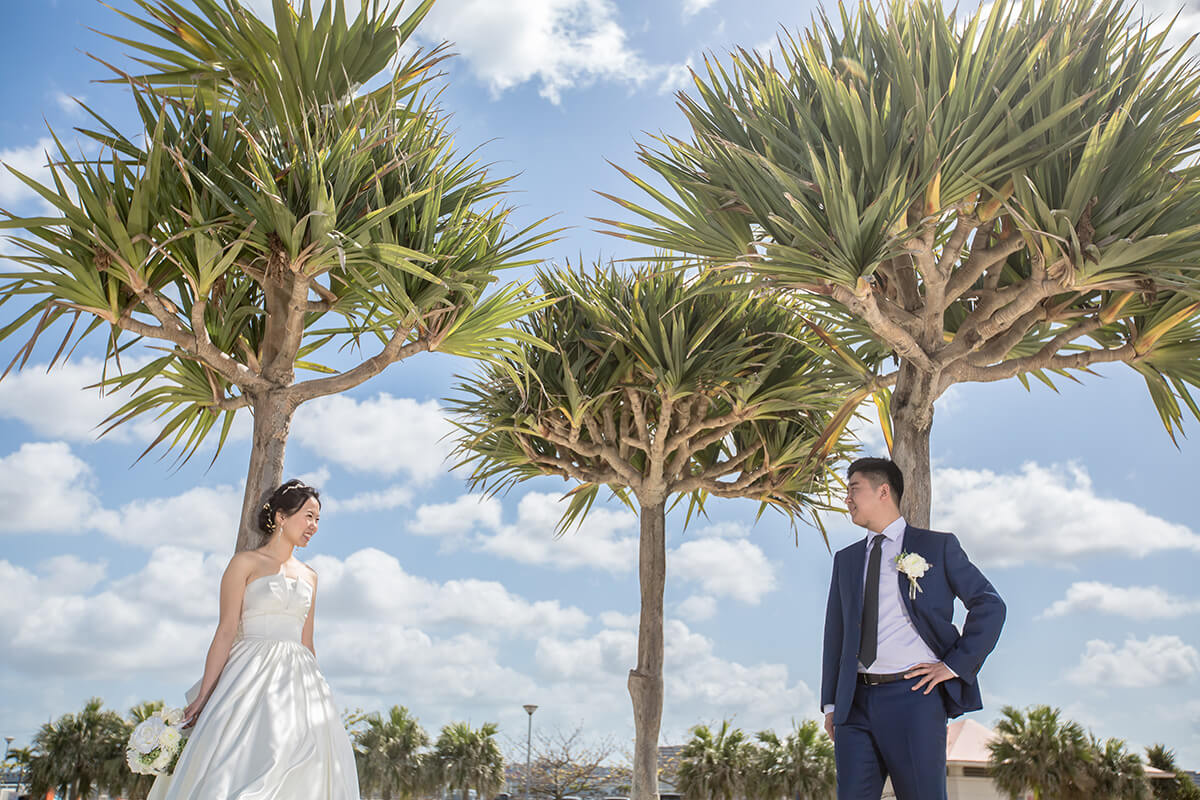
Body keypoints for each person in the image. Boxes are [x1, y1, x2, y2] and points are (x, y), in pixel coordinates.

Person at [149, 479, 359, 800]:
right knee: (240, 761)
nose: (314, 526)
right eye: (308, 516)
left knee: (306, 761)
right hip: (249, 672)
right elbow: (226, 630)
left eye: (318, 519)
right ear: (281, 517)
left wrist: (319, 692)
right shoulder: (244, 564)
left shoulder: (310, 576)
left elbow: (307, 640)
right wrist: (206, 694)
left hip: (299, 680)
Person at [820, 457, 1005, 800]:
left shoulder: (938, 547)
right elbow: (835, 634)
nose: (847, 499)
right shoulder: (845, 560)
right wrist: (831, 705)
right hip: (853, 705)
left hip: (915, 698)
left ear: (883, 491)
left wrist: (952, 665)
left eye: (853, 489)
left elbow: (990, 605)